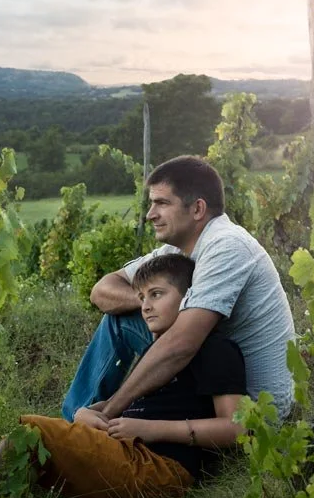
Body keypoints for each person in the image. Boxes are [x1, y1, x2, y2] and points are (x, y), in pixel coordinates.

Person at [0, 253, 246, 498]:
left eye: (157, 294)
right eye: (141, 297)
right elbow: (129, 408)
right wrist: (89, 413)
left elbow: (236, 427)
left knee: (36, 435)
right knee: (31, 446)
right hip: (129, 450)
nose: (145, 306)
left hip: (163, 469)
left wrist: (149, 429)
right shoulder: (157, 351)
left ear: (189, 297)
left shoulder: (214, 348)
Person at [62, 155, 296, 428]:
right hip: (217, 376)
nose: (150, 214)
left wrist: (112, 408)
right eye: (151, 203)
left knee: (127, 323)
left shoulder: (227, 246)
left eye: (162, 203)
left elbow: (181, 345)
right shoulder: (178, 249)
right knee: (121, 316)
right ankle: (77, 421)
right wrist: (152, 301)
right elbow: (102, 290)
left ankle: (81, 426)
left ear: (197, 209)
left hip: (252, 407)